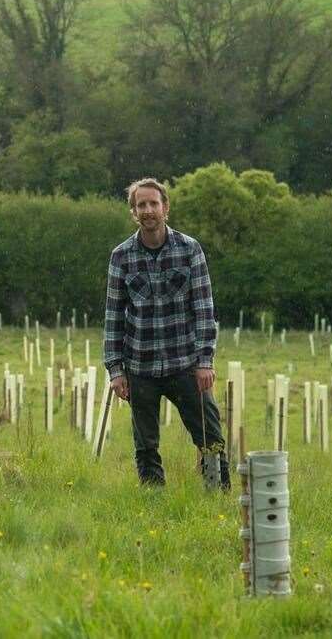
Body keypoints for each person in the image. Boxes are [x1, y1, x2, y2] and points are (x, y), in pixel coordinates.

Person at [103, 177, 229, 489]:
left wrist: (205, 361)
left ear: (165, 208)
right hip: (140, 367)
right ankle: (153, 502)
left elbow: (204, 308)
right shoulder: (121, 257)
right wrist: (116, 370)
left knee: (209, 436)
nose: (147, 210)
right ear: (134, 212)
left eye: (153, 204)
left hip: (185, 363)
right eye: (140, 205)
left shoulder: (189, 250)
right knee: (145, 444)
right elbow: (113, 316)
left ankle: (217, 494)